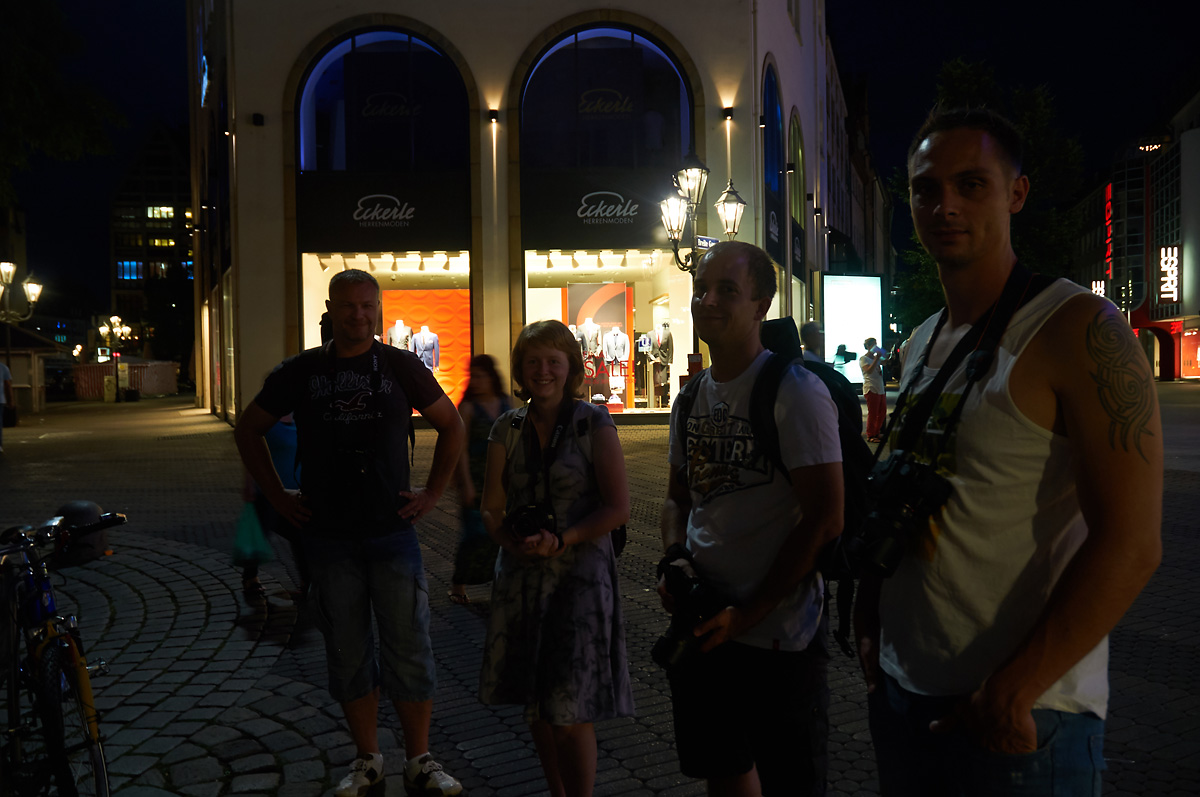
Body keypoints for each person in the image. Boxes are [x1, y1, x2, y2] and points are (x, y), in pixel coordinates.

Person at [855, 107, 1163, 795]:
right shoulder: (925, 339)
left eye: (971, 184)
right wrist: (870, 613)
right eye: (926, 188)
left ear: (1016, 193)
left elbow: (1133, 542)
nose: (945, 206)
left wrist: (1014, 689)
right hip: (905, 696)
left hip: (1021, 719)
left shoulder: (1077, 327)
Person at [233, 269, 466, 797]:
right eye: (347, 305)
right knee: (346, 650)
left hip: (391, 531)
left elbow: (452, 425)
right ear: (331, 309)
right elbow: (249, 429)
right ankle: (368, 761)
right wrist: (276, 495)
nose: (358, 315)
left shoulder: (402, 365)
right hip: (329, 536)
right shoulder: (301, 370)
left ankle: (420, 760)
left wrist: (432, 493)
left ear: (377, 309)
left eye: (366, 305)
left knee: (409, 648)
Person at [660, 241, 844, 796]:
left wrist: (748, 614)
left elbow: (825, 518)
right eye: (701, 290)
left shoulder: (795, 391)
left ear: (761, 304)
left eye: (727, 290)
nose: (708, 301)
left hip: (779, 636)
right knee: (723, 769)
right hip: (706, 623)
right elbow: (677, 499)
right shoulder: (690, 398)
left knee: (789, 780)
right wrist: (674, 559)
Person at [478, 319, 633, 797]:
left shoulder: (593, 422)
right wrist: (510, 542)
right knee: (538, 708)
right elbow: (490, 507)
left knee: (569, 710)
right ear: (520, 370)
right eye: (532, 362)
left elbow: (618, 508)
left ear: (571, 368)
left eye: (553, 361)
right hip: (522, 577)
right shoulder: (507, 427)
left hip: (578, 581)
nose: (542, 371)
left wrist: (562, 539)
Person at [448, 354, 512, 604]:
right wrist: (465, 483)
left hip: (501, 476)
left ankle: (499, 582)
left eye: (480, 376)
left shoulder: (505, 402)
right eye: (472, 376)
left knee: (501, 531)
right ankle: (458, 584)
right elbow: (460, 449)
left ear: (491, 377)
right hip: (475, 476)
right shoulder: (467, 407)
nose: (475, 381)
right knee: (473, 533)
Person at [859, 337, 886, 443]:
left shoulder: (877, 358)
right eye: (873, 345)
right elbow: (869, 371)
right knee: (873, 413)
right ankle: (870, 435)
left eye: (876, 344)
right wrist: (876, 359)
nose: (875, 347)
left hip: (880, 388)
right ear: (868, 346)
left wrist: (884, 355)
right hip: (871, 388)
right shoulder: (863, 359)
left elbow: (886, 362)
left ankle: (876, 432)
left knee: (882, 412)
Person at [0, 360, 12, 453]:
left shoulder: (3, 368)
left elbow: (7, 385)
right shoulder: (3, 367)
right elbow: (8, 385)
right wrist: (10, 400)